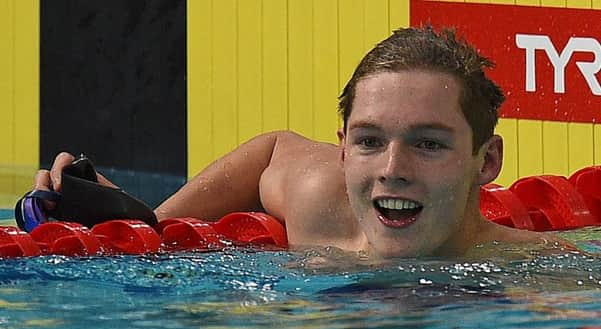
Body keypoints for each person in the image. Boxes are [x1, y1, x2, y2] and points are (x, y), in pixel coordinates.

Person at [33, 26, 568, 259]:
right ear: (341, 150)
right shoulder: (322, 206)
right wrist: (140, 226)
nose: (392, 168)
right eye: (368, 141)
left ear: (487, 160)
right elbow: (274, 149)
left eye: (428, 145)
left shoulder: (536, 276)